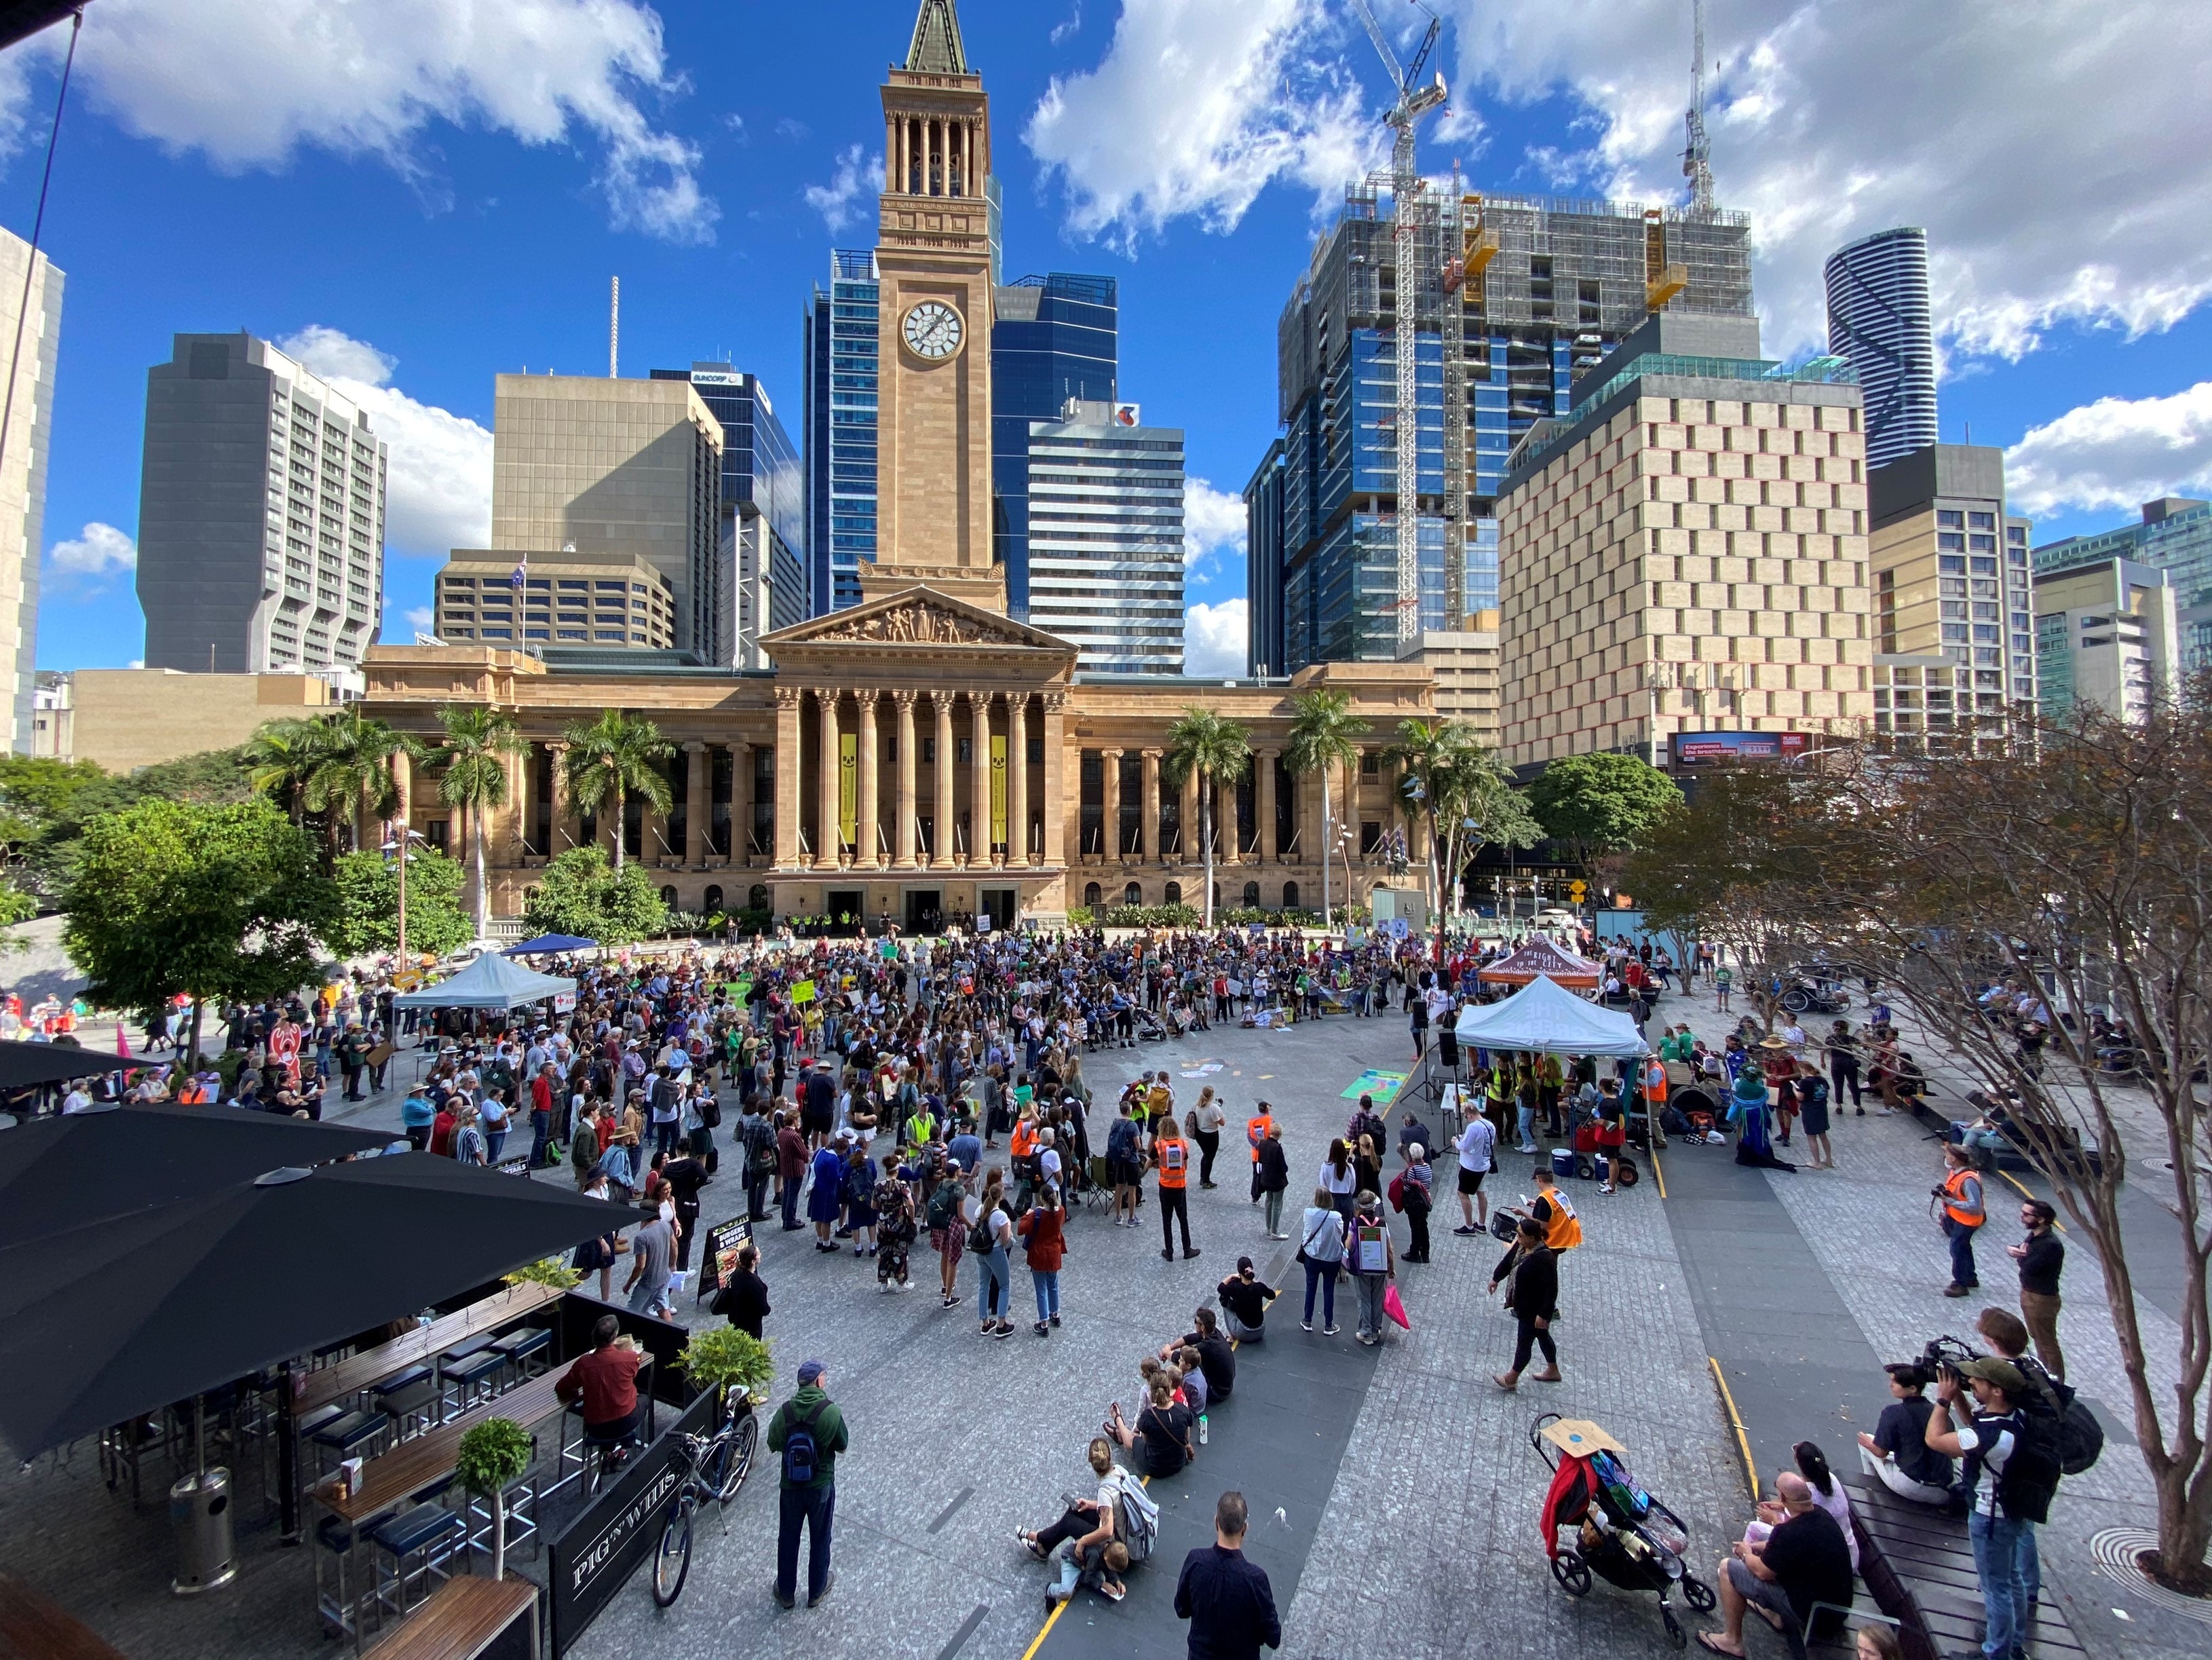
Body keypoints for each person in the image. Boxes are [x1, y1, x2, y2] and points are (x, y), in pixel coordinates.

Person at [1923, 1357, 2056, 1660]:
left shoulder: (1990, 1438)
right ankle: (2013, 1643)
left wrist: (1943, 1401)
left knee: (1996, 1589)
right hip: (2011, 1511)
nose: (1971, 1384)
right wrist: (1959, 1397)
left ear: (1997, 1391)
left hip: (1989, 1517)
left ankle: (1995, 1653)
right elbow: (1975, 1427)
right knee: (2012, 1579)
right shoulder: (2015, 1417)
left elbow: (1935, 1439)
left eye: (1977, 1382)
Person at [1696, 1471, 1852, 1660]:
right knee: (1767, 1545)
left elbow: (1763, 1572)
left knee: (1727, 1568)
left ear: (1783, 1497)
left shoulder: (1790, 1533)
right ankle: (1774, 1614)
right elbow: (1785, 1549)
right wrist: (1756, 1546)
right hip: (1836, 1610)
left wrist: (1746, 1552)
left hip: (1813, 1615)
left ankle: (1732, 1640)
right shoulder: (1822, 1516)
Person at [767, 1357, 849, 1610]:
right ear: (817, 1381)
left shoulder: (785, 1411)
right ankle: (816, 1589)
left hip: (790, 1486)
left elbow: (773, 1442)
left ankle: (786, 1592)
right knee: (821, 1536)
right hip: (821, 1484)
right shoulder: (830, 1411)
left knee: (788, 1537)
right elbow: (843, 1444)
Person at [1018, 1437, 1130, 1606]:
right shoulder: (1120, 1471)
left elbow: (1107, 1531)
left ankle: (1040, 1541)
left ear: (1090, 1461)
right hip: (1126, 1527)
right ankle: (1041, 1541)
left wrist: (1083, 1541)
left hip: (1115, 1533)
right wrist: (1092, 1504)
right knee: (1076, 1509)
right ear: (1110, 1456)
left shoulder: (1105, 1490)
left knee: (1070, 1521)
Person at [1174, 1490, 1280, 1660]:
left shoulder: (1195, 1562)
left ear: (1217, 1522)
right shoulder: (1256, 1580)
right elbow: (1274, 1637)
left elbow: (1181, 1609)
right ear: (1244, 1529)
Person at [1855, 1361, 1954, 1505]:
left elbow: (1880, 1452)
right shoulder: (1940, 1412)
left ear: (1912, 1389)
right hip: (1944, 1491)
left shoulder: (1893, 1412)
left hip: (1912, 1487)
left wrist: (1866, 1442)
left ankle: (1870, 1492)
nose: (1891, 1385)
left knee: (1867, 1443)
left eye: (1895, 1383)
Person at [1490, 1215, 1560, 1389]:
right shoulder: (1522, 1246)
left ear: (1532, 1238)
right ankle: (1553, 1370)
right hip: (1524, 1305)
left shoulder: (1545, 1259)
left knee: (1524, 1342)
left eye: (1520, 1235)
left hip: (1533, 1309)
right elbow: (1509, 1261)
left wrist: (1544, 1315)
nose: (1517, 1238)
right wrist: (1496, 1278)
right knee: (1543, 1337)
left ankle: (1511, 1378)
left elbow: (1551, 1290)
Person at [554, 1314, 645, 1445]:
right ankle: (624, 1450)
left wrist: (576, 1395)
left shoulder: (584, 1363)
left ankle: (609, 1452)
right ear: (615, 1336)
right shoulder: (630, 1359)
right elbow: (633, 1367)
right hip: (626, 1420)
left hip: (596, 1427)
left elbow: (563, 1387)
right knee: (644, 1399)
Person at [2006, 1200, 2065, 1379]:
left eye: (2026, 1214)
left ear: (2040, 1220)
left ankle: (2055, 1380)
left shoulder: (2049, 1245)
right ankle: (2045, 1373)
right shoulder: (2036, 1237)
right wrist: (2019, 1251)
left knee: (2046, 1342)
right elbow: (2026, 1254)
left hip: (2041, 1299)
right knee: (2038, 1337)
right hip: (2031, 1294)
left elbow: (2029, 1267)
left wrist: (2021, 1256)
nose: (2021, 1217)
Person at [1106, 1376, 1194, 1478]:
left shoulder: (1148, 1417)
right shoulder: (1182, 1410)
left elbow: (1145, 1440)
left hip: (1155, 1467)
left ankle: (1118, 1420)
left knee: (1132, 1440)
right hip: (1178, 1462)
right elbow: (1186, 1438)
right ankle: (1121, 1432)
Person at [1346, 1190, 1396, 1346]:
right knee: (1377, 1298)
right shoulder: (1382, 1224)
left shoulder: (1354, 1223)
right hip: (1380, 1267)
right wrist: (1391, 1268)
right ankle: (1375, 1329)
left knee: (1364, 1299)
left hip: (1362, 1267)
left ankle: (1365, 1331)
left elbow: (1348, 1245)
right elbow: (1389, 1249)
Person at [1937, 1142, 1986, 1298]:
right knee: (1964, 1247)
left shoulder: (1968, 1180)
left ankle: (1960, 1284)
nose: (1946, 1157)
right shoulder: (1957, 1172)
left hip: (1968, 1221)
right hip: (1960, 1218)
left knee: (1957, 1249)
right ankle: (1970, 1277)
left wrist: (1949, 1201)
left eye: (1949, 1155)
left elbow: (1974, 1206)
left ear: (1956, 1159)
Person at [1020, 1181, 1067, 1336]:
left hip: (1039, 1256)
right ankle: (1056, 1314)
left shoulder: (1037, 1214)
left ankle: (1043, 1323)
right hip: (1054, 1255)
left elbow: (1022, 1230)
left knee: (1041, 1289)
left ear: (1041, 1198)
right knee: (1053, 1285)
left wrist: (1026, 1216)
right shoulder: (1060, 1211)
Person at [1297, 1187, 1345, 1336]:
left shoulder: (1309, 1213)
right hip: (1332, 1258)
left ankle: (1307, 1320)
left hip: (1312, 1256)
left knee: (1310, 1287)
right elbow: (1340, 1233)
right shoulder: (1336, 1216)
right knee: (1329, 1290)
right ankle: (1328, 1324)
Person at [1153, 1112, 1199, 1262]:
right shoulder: (1183, 1144)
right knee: (1183, 1219)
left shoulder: (1159, 1146)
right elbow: (1184, 1166)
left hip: (1165, 1187)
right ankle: (1187, 1249)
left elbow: (1153, 1162)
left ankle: (1169, 1252)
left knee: (1167, 1220)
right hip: (1179, 1187)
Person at [624, 1206, 677, 1319]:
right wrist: (673, 1264)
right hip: (664, 1276)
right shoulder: (665, 1225)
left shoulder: (641, 1237)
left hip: (649, 1281)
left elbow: (640, 1265)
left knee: (631, 1314)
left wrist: (628, 1284)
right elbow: (674, 1244)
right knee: (663, 1308)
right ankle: (676, 1336)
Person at [708, 1243, 771, 1338]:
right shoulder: (755, 1285)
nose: (761, 1255)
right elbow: (764, 1309)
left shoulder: (737, 1273)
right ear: (753, 1261)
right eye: (758, 1254)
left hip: (736, 1319)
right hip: (751, 1325)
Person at [1453, 1105, 1497, 1236]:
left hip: (1471, 1166)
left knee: (1462, 1194)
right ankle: (1481, 1224)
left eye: (1466, 1117)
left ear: (1470, 1114)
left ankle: (1469, 1226)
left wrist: (1455, 1142)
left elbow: (1464, 1146)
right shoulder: (1490, 1125)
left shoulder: (1473, 1127)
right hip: (1484, 1164)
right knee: (1480, 1192)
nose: (1467, 1119)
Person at [1216, 1258, 1277, 1342]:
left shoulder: (1235, 1288)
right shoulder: (1259, 1287)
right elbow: (1272, 1296)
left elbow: (1220, 1288)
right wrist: (1254, 1282)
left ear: (1240, 1272)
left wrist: (1230, 1276)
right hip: (1261, 1330)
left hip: (1244, 1333)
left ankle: (1231, 1338)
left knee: (1225, 1304)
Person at [1393, 1142, 1433, 1262]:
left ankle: (1414, 1252)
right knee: (1423, 1226)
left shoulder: (1412, 1170)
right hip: (1424, 1202)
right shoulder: (1427, 1167)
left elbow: (1407, 1188)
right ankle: (1425, 1253)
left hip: (1414, 1203)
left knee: (1415, 1228)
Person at [1255, 1124, 1290, 1239]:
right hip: (1277, 1181)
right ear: (1279, 1135)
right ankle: (1275, 1232)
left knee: (1269, 1201)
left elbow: (1260, 1159)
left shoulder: (1263, 1144)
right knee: (1277, 1204)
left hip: (1265, 1179)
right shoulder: (1277, 1148)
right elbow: (1284, 1167)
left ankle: (1268, 1228)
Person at [1192, 1085, 1227, 1188]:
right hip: (1211, 1135)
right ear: (1212, 1095)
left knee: (1205, 1155)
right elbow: (1222, 1123)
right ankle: (1206, 1181)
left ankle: (1202, 1177)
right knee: (1209, 1158)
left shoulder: (1197, 1106)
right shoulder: (1213, 1108)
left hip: (1200, 1133)